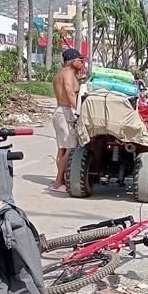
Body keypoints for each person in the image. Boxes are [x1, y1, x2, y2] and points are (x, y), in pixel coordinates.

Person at [50, 48, 85, 193]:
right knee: (70, 149)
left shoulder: (60, 74)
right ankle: (58, 182)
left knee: (62, 149)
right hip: (66, 112)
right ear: (72, 61)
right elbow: (70, 94)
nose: (82, 63)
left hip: (59, 111)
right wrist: (80, 112)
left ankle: (61, 179)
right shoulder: (68, 74)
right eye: (80, 60)